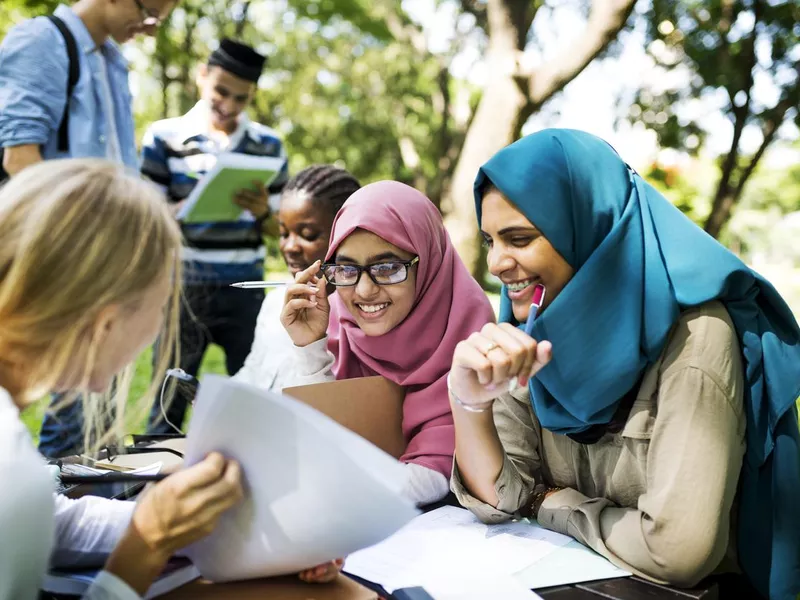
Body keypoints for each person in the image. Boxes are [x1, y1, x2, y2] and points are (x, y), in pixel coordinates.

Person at [447, 129, 800, 599]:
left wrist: (552, 505)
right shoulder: (532, 325)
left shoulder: (696, 336)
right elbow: (503, 497)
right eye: (491, 240)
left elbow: (676, 551)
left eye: (519, 238)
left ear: (592, 227)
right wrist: (468, 405)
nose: (495, 263)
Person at [0, 159, 342, 599]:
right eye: (161, 304)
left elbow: (56, 522)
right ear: (105, 323)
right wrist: (146, 546)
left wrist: (205, 524)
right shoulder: (13, 471)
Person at [0, 0, 179, 457]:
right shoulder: (43, 42)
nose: (152, 27)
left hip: (111, 261)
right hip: (71, 262)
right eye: (149, 10)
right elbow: (20, 159)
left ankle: (79, 497)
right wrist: (86, 253)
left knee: (94, 402)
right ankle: (51, 501)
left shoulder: (114, 61)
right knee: (71, 398)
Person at [281, 181, 496, 506]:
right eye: (347, 268)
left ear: (428, 262)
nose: (365, 291)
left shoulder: (470, 337)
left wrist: (334, 485)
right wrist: (310, 347)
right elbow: (311, 444)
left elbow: (433, 474)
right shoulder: (339, 325)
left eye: (387, 268)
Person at [141, 38, 289, 434]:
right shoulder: (163, 138)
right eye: (221, 92)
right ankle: (151, 486)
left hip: (246, 286)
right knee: (167, 399)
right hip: (184, 286)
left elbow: (283, 231)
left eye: (241, 98)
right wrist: (182, 208)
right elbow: (145, 219)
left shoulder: (269, 145)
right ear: (202, 76)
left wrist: (262, 212)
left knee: (256, 392)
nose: (228, 105)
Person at [234, 164, 361, 392]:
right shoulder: (274, 302)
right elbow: (253, 371)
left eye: (308, 235)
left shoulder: (362, 314)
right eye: (283, 233)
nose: (290, 247)